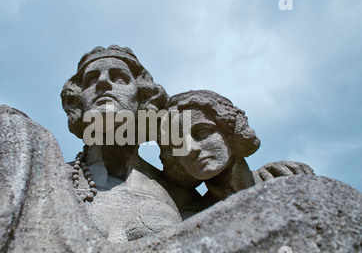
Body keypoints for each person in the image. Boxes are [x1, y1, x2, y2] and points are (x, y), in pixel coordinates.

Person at [60, 45, 187, 242]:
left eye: (119, 77)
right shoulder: (55, 179)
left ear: (142, 97)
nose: (102, 82)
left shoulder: (174, 190)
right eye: (91, 80)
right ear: (78, 101)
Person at [159, 90, 314, 215]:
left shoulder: (284, 177)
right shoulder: (191, 217)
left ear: (230, 133)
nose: (191, 148)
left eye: (202, 133)